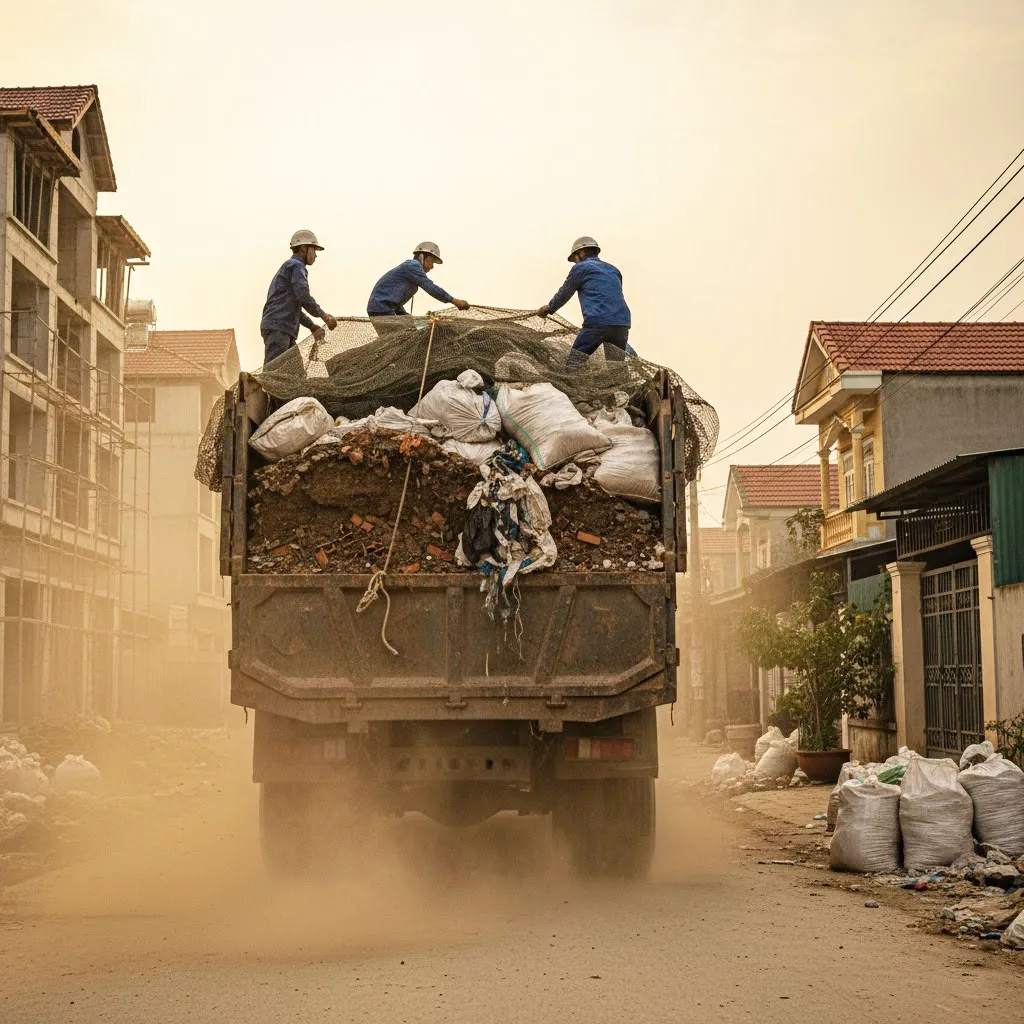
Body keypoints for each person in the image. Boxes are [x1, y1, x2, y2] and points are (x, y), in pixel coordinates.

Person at [536, 236, 632, 366]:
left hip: (597, 323)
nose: (575, 262)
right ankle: (625, 385)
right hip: (621, 323)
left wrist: (549, 308)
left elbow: (564, 293)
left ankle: (571, 385)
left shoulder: (581, 268)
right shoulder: (614, 270)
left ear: (581, 253)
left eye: (575, 258)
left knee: (574, 363)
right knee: (616, 368)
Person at [260, 230, 339, 366]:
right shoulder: (296, 266)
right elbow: (303, 296)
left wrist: (312, 326)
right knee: (272, 371)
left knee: (295, 374)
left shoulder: (290, 267)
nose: (315, 255)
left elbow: (293, 308)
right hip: (279, 328)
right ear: (303, 249)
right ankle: (255, 387)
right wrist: (323, 316)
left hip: (282, 328)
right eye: (314, 250)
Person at [367, 242, 470, 325]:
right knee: (402, 340)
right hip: (382, 307)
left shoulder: (412, 271)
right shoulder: (412, 265)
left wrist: (405, 316)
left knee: (410, 331)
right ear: (427, 258)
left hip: (386, 307)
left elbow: (395, 299)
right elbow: (431, 288)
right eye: (432, 262)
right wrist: (455, 301)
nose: (432, 267)